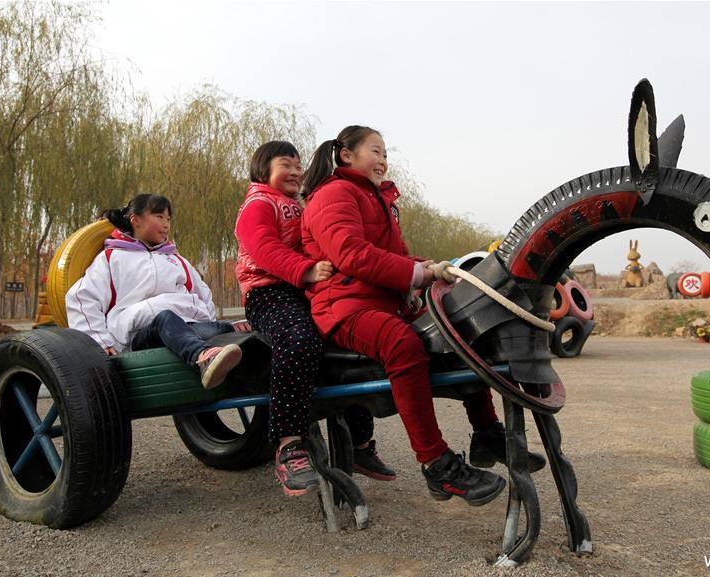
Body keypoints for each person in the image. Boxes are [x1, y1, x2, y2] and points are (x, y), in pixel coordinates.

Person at [300, 126, 545, 507]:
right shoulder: (334, 194)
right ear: (346, 155)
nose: (383, 160)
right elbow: (351, 254)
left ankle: (486, 431)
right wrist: (417, 274)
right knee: (401, 343)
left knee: (457, 328)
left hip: (381, 303)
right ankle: (436, 464)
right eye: (375, 151)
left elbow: (393, 257)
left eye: (386, 154)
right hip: (344, 307)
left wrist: (431, 266)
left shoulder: (376, 198)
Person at [235, 140, 396, 497]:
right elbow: (264, 248)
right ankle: (289, 444)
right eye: (286, 165)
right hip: (269, 292)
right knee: (299, 340)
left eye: (298, 166)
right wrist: (305, 270)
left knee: (348, 338)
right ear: (263, 169)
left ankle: (359, 442)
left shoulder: (303, 204)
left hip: (306, 290)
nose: (295, 172)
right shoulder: (259, 204)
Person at [66, 193, 246, 390]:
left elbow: (203, 294)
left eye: (168, 219)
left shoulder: (176, 259)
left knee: (223, 329)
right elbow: (82, 298)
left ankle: (240, 348)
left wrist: (210, 320)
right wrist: (101, 342)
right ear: (135, 220)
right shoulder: (111, 259)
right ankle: (202, 357)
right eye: (159, 217)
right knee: (165, 318)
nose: (166, 224)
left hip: (184, 326)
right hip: (138, 332)